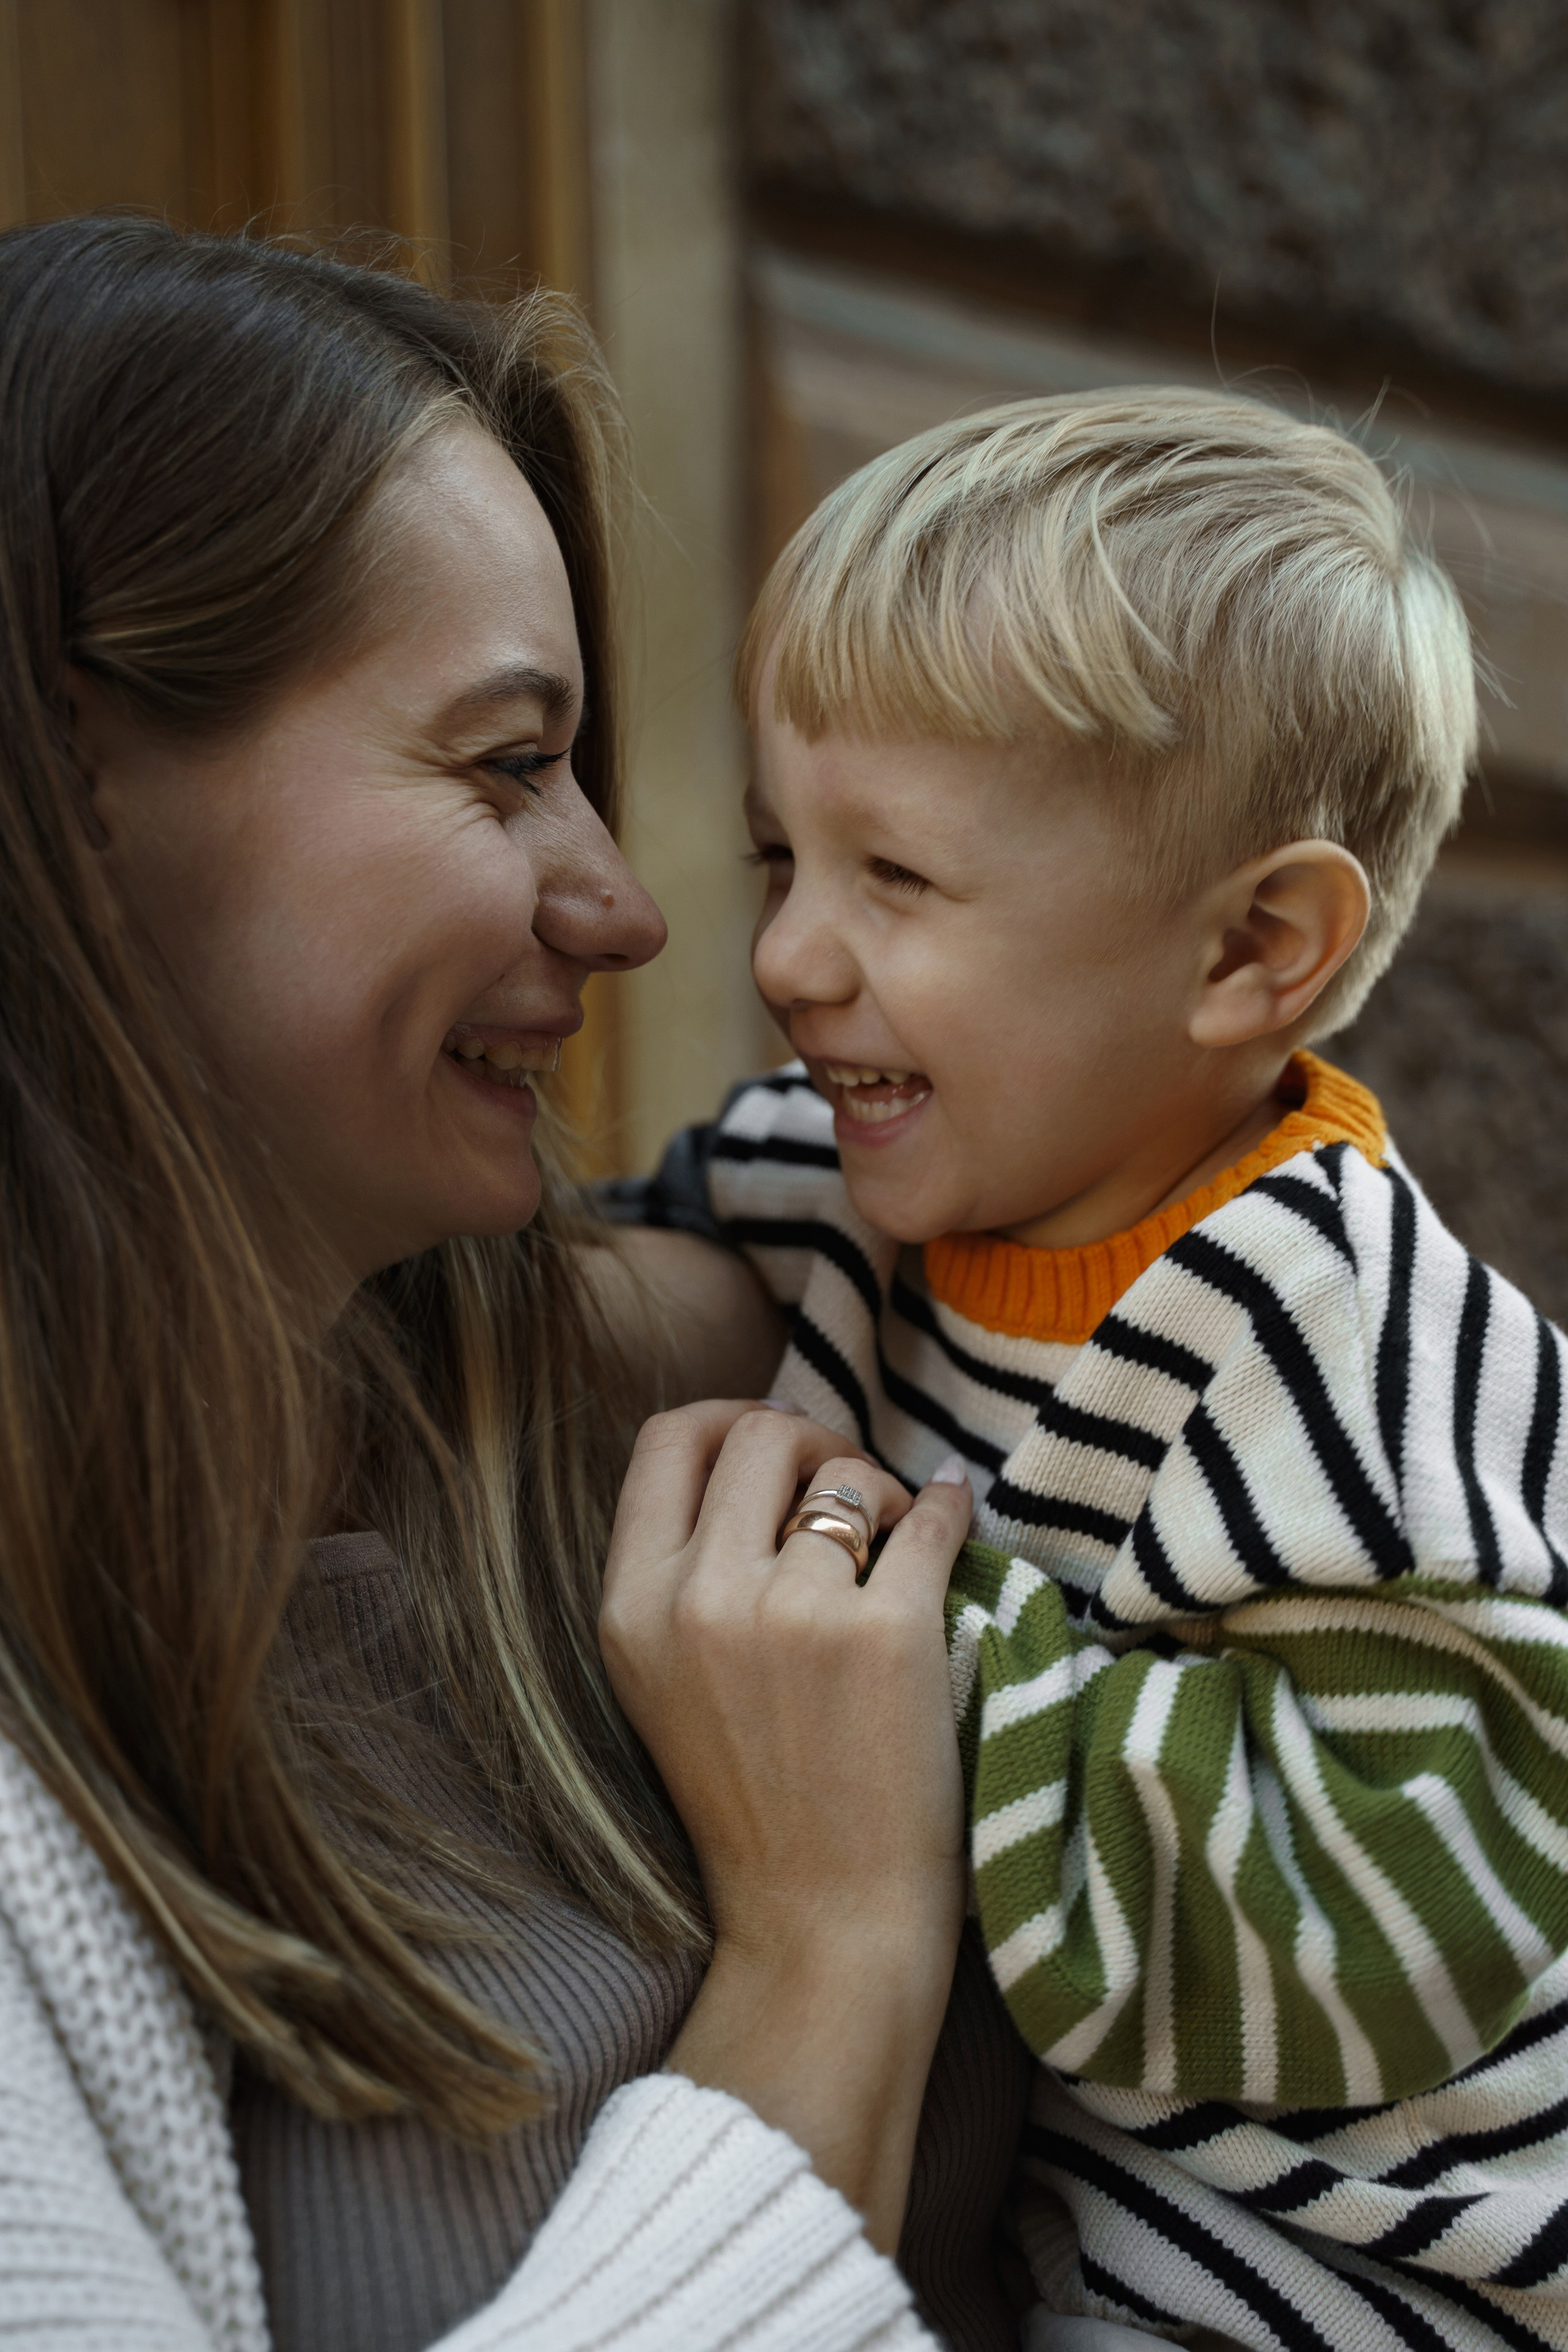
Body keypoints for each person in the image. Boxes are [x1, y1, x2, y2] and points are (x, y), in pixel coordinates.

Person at [0, 216, 1035, 2352]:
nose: (631, 910)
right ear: (79, 786)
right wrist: (828, 1953)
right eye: (501, 761)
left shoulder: (688, 1368)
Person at [609, 391, 1568, 2349]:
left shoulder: (1350, 1339)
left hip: (1371, 2279)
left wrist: (903, 1635)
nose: (791, 953)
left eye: (898, 880)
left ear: (1250, 952)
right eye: (780, 852)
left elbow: (1396, 1906)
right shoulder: (819, 1180)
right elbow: (561, 1285)